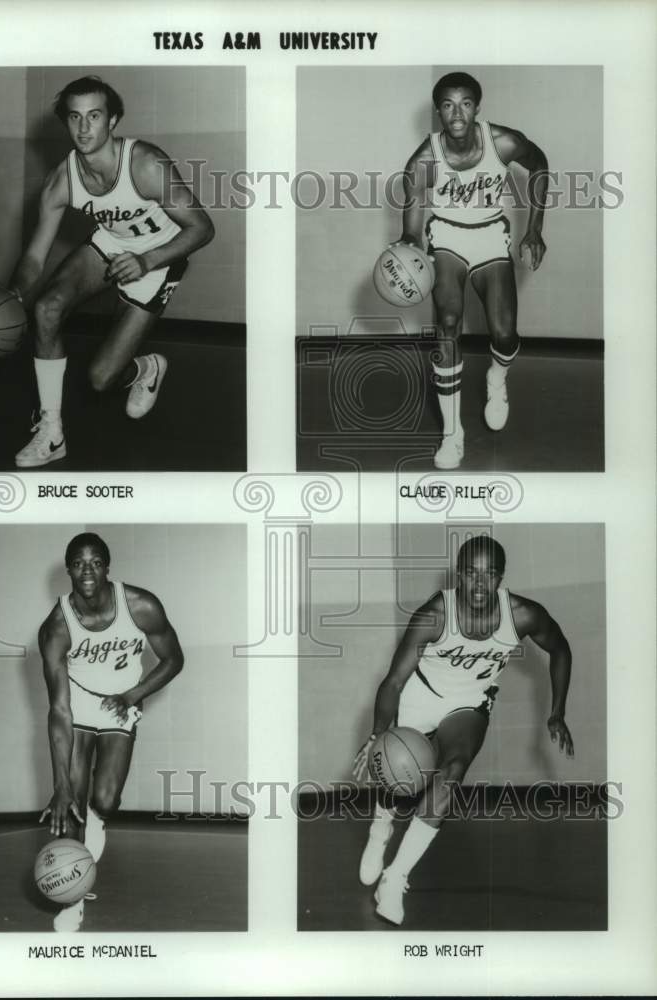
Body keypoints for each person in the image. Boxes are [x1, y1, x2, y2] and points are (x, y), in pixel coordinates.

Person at [352, 535, 573, 927]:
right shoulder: (435, 614)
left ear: (501, 578)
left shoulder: (521, 615)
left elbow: (560, 649)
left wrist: (556, 712)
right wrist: (376, 735)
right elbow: (392, 682)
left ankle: (396, 875)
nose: (479, 584)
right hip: (421, 694)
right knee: (395, 772)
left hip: (468, 704)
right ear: (459, 575)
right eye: (471, 573)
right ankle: (381, 826)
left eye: (489, 575)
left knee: (452, 770)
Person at [8, 76, 215, 468]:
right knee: (46, 309)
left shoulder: (147, 165)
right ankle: (51, 433)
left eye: (95, 116)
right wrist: (14, 293)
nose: (84, 128)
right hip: (111, 244)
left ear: (113, 120)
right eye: (75, 118)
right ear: (66, 123)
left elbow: (202, 228)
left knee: (101, 380)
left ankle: (146, 367)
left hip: (161, 256)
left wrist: (147, 260)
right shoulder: (61, 181)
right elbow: (35, 257)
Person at [396, 72, 549, 470]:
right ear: (438, 111)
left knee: (505, 332)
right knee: (447, 322)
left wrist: (534, 228)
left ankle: (496, 379)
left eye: (465, 103)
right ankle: (452, 434)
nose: (457, 112)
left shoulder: (503, 142)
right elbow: (412, 223)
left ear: (477, 107)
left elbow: (540, 165)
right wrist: (410, 249)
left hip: (489, 237)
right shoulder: (424, 160)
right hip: (446, 237)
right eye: (448, 105)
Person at [38, 532, 184, 932]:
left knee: (105, 799)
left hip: (121, 701)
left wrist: (134, 694)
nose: (87, 570)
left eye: (96, 562)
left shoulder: (140, 606)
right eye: (79, 563)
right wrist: (60, 784)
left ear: (107, 567)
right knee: (72, 801)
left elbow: (174, 659)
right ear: (68, 569)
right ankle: (72, 900)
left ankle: (97, 821)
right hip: (79, 701)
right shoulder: (56, 627)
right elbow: (59, 709)